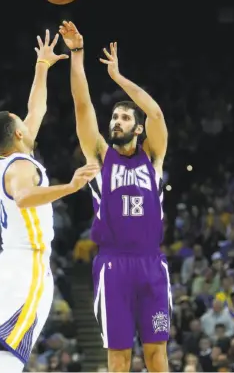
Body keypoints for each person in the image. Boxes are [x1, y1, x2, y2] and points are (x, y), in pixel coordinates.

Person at [0, 29, 99, 373]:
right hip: (25, 267)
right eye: (20, 120)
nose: (26, 119)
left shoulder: (11, 155)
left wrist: (42, 65)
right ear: (18, 132)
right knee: (10, 359)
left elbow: (37, 106)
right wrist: (71, 186)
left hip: (7, 268)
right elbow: (26, 197)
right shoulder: (19, 168)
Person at [59, 21, 169, 372]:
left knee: (156, 355)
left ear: (138, 129)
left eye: (124, 117)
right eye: (114, 117)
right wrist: (77, 55)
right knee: (119, 358)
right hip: (113, 266)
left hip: (152, 265)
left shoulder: (153, 159)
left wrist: (119, 78)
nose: (116, 121)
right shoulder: (100, 157)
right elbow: (82, 105)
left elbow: (155, 113)